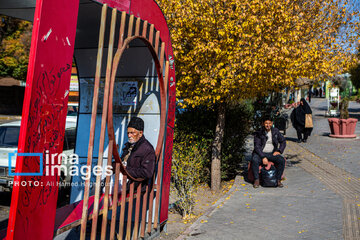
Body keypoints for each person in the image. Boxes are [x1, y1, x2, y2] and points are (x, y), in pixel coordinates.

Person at [115, 117, 156, 192]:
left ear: (140, 133)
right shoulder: (129, 145)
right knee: (98, 186)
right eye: (128, 133)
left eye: (132, 133)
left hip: (133, 184)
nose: (129, 135)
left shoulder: (147, 149)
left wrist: (125, 169)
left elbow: (147, 172)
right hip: (122, 180)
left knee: (103, 190)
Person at [251, 115, 286, 188]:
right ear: (263, 124)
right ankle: (256, 180)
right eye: (266, 123)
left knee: (281, 160)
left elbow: (283, 141)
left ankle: (278, 180)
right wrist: (263, 157)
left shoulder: (275, 131)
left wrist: (279, 151)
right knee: (254, 160)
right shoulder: (259, 133)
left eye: (269, 123)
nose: (268, 125)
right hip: (260, 153)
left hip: (272, 153)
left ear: (272, 123)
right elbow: (257, 146)